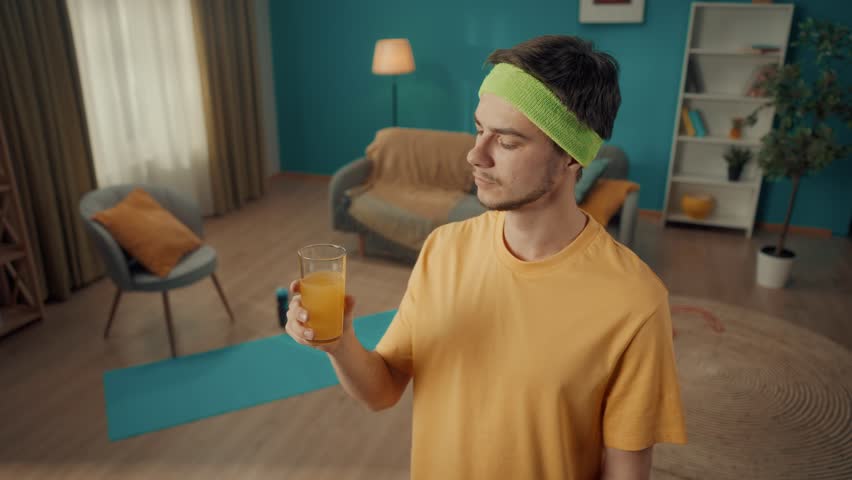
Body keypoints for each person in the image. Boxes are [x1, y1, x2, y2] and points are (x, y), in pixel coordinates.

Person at [286, 34, 687, 479]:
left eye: (508, 142)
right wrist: (340, 345)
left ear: (571, 157)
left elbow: (626, 471)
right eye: (479, 129)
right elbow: (381, 391)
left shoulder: (635, 302)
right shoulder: (444, 250)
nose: (476, 155)